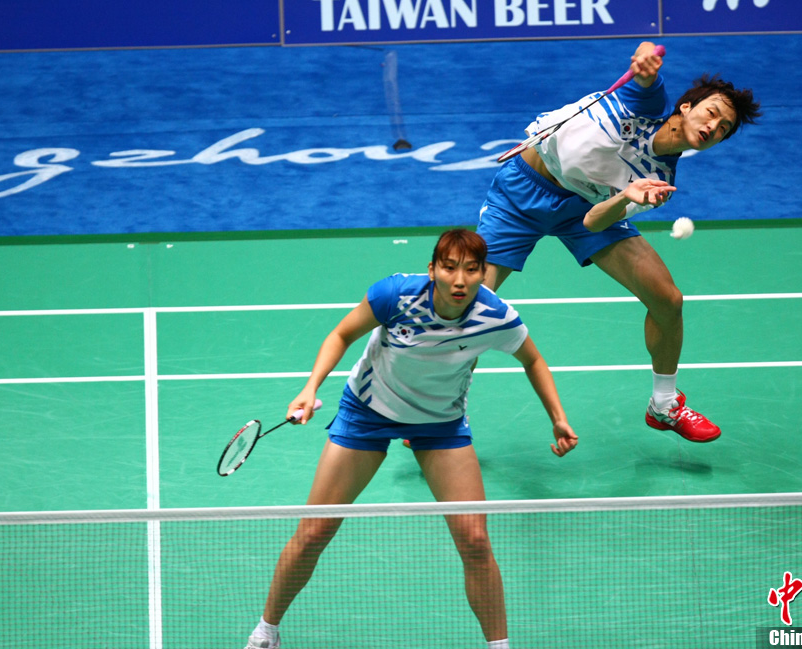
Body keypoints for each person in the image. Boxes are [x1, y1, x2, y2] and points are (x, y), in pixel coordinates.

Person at [244, 228, 578, 649]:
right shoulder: (396, 296)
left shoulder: (495, 315)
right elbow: (341, 334)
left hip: (440, 424)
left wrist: (558, 418)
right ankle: (266, 632)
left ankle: (500, 646)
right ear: (432, 270)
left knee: (475, 541)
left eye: (471, 270)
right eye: (450, 268)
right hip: (367, 412)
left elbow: (533, 360)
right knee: (314, 531)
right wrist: (310, 388)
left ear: (483, 274)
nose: (460, 280)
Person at [477, 41, 762, 443]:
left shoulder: (660, 179)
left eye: (724, 129)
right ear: (686, 107)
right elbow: (646, 73)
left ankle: (664, 404)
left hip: (589, 207)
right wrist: (646, 60)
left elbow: (593, 222)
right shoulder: (645, 104)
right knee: (471, 306)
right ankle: (441, 410)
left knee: (668, 299)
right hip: (524, 192)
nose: (714, 127)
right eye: (711, 113)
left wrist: (627, 197)